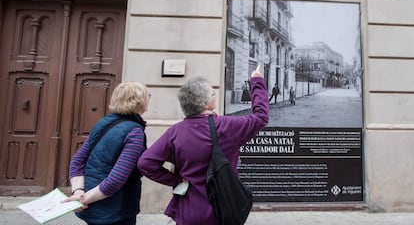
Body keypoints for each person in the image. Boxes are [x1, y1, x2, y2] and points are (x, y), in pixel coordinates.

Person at [137, 65, 269, 225]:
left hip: (188, 211)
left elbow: (146, 163)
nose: (215, 96)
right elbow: (261, 116)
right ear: (206, 103)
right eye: (213, 94)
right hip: (222, 210)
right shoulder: (227, 126)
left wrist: (176, 180)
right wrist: (256, 80)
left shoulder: (175, 132)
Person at [63, 81, 150, 225]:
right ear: (140, 101)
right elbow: (117, 179)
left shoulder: (103, 123)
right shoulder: (135, 132)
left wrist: (78, 192)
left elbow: (77, 162)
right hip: (116, 210)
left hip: (93, 203)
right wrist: (82, 198)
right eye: (148, 96)